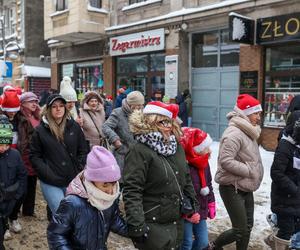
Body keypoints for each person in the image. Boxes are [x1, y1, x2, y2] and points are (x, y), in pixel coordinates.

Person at [123, 101, 198, 250]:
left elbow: (186, 178)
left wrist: (193, 204)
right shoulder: (139, 150)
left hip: (175, 221)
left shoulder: (176, 147)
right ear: (151, 122)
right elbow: (132, 190)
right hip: (152, 223)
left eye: (170, 121)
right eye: (163, 122)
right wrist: (137, 225)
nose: (168, 126)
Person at [47, 146, 128, 250]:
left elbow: (115, 221)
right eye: (105, 185)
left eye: (113, 184)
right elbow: (56, 234)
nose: (110, 190)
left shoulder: (109, 198)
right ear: (92, 179)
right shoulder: (73, 202)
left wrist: (136, 231)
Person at [212, 94, 264, 250]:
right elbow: (225, 160)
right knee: (240, 229)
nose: (259, 117)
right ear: (246, 113)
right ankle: (213, 246)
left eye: (259, 113)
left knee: (248, 226)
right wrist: (249, 170)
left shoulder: (249, 131)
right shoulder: (234, 133)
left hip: (245, 186)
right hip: (231, 187)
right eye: (256, 113)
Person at [30, 94, 88, 214]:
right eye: (54, 106)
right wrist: (46, 172)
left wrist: (79, 167)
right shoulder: (40, 130)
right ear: (48, 109)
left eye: (61, 106)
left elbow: (83, 150)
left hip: (72, 178)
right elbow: (35, 156)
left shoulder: (74, 127)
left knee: (73, 214)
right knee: (62, 212)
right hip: (51, 180)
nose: (58, 109)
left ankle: (56, 231)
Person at [180, 127, 215, 250]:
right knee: (187, 242)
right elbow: (180, 190)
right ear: (195, 149)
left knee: (203, 242)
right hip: (186, 211)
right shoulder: (184, 165)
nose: (209, 150)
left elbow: (209, 184)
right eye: (206, 147)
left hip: (201, 207)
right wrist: (188, 213)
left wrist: (211, 202)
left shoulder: (204, 163)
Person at [270, 113, 300, 249]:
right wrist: (294, 189)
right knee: (286, 231)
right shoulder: (285, 146)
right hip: (284, 199)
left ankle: (273, 237)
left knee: (294, 228)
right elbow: (276, 173)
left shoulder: (297, 146)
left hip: (295, 199)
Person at [0, 115, 27, 250]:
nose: (3, 148)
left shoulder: (15, 155)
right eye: (0, 144)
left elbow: (22, 176)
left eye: (6, 144)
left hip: (10, 201)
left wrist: (16, 197)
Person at [102, 91, 145, 174]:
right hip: (123, 154)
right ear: (130, 104)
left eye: (142, 105)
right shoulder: (118, 113)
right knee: (123, 180)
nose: (140, 107)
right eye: (138, 105)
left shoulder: (142, 113)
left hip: (139, 155)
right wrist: (115, 140)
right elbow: (105, 127)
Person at [17, 92, 40, 218]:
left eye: (35, 101)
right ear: (23, 103)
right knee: (22, 185)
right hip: (25, 155)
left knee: (32, 184)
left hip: (35, 155)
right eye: (31, 101)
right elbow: (22, 140)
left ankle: (28, 210)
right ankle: (14, 211)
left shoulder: (37, 116)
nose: (34, 104)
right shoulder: (20, 118)